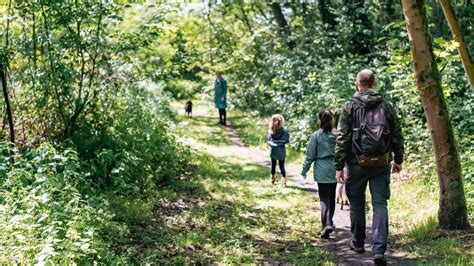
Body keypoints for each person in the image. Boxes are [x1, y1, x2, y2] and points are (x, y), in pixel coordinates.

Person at [335, 69, 404, 265]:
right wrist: (398, 160)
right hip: (382, 162)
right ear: (374, 83)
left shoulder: (349, 106)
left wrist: (339, 166)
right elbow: (397, 135)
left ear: (358, 83)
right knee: (380, 204)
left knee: (357, 204)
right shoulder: (387, 106)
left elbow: (342, 138)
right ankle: (379, 249)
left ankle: (357, 242)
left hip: (356, 162)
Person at [301, 109, 338, 239]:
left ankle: (326, 224)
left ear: (319, 120)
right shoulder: (337, 135)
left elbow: (310, 155)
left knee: (324, 197)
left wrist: (304, 170)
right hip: (334, 168)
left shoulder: (316, 136)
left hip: (321, 169)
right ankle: (330, 221)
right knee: (332, 196)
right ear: (332, 120)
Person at [268, 114, 290, 187]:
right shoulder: (284, 132)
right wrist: (280, 142)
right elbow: (286, 140)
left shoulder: (270, 131)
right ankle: (283, 181)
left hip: (273, 150)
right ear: (282, 122)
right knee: (281, 166)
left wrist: (274, 143)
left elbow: (269, 140)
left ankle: (272, 179)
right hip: (281, 151)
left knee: (273, 165)